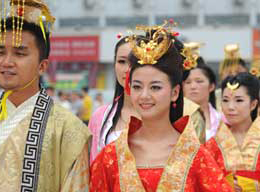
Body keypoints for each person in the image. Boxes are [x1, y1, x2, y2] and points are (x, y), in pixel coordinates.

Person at [0, 1, 90, 191]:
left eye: (20, 54)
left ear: (42, 66)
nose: (7, 62)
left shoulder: (68, 130)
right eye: (0, 52)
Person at [90, 23, 232, 191]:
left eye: (155, 87)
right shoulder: (110, 157)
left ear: (175, 92)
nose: (144, 96)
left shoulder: (196, 157)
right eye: (137, 86)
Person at [88, 36, 140, 164]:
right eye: (122, 61)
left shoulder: (161, 114)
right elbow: (93, 168)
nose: (127, 69)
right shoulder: (100, 117)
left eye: (135, 62)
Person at [205, 72, 260, 191]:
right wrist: (223, 185)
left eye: (238, 100)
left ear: (253, 104)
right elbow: (201, 182)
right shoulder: (212, 145)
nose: (230, 107)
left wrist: (250, 186)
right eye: (225, 100)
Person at [182, 42, 221, 143]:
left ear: (211, 86)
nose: (193, 86)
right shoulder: (176, 118)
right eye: (188, 82)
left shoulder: (222, 119)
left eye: (199, 81)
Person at [216, 44, 249, 111]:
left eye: (238, 72)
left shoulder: (254, 93)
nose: (234, 76)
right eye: (229, 73)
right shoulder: (214, 96)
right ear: (221, 75)